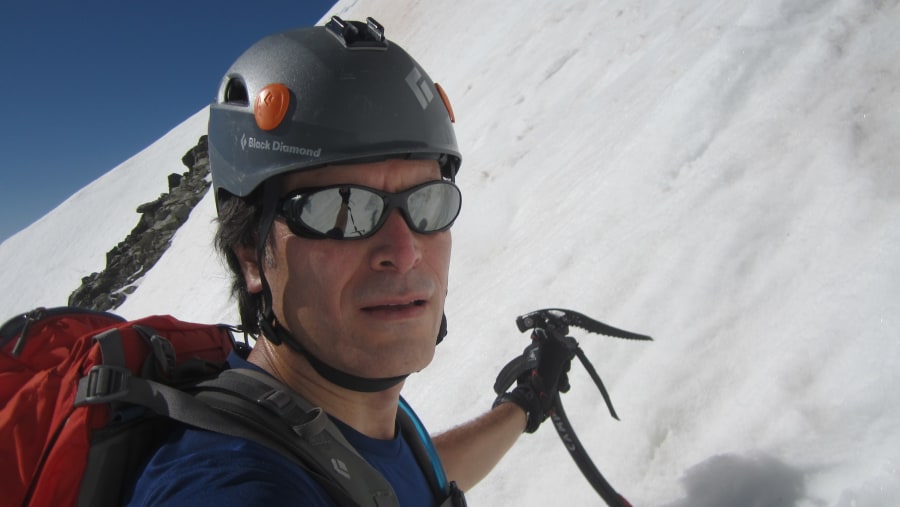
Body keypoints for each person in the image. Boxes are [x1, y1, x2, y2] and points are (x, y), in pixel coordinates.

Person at [125, 16, 567, 506]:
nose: (403, 253)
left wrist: (524, 403)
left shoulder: (353, 422)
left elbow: (411, 480)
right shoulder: (231, 485)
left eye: (428, 204)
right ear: (251, 255)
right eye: (341, 210)